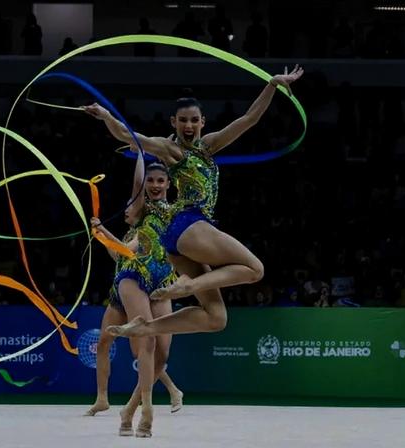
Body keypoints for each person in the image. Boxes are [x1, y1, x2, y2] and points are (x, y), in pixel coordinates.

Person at [83, 65, 303, 339]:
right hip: (189, 223)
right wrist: (105, 115)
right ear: (173, 122)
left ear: (202, 122)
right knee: (255, 269)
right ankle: (186, 287)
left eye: (194, 120)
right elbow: (128, 136)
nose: (189, 126)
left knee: (215, 318)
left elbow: (248, 119)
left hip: (180, 240)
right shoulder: (170, 149)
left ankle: (146, 326)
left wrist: (272, 84)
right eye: (183, 120)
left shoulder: (209, 145)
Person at [87, 153, 183, 437]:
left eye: (160, 180)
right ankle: (133, 406)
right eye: (151, 181)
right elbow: (121, 252)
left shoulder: (175, 211)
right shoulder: (141, 218)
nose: (154, 184)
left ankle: (130, 408)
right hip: (133, 283)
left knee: (162, 356)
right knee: (139, 344)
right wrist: (139, 149)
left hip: (163, 283)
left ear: (168, 183)